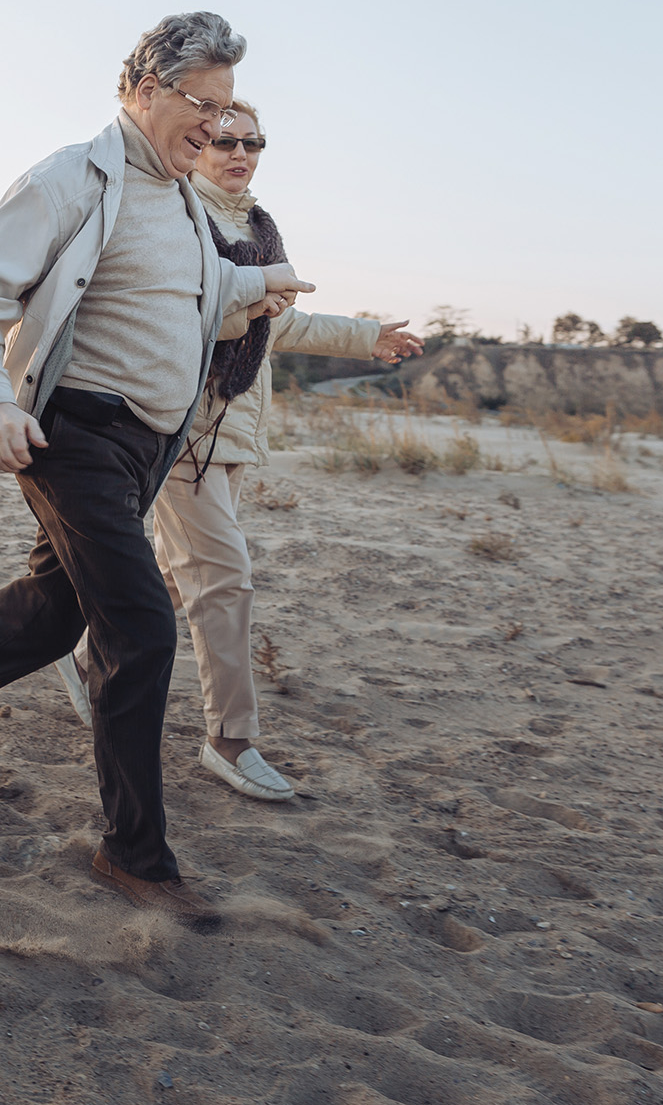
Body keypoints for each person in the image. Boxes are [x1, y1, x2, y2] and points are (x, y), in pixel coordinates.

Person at [0, 13, 313, 926]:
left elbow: (184, 290)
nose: (218, 129)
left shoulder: (181, 199)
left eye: (228, 111)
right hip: (73, 432)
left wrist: (253, 287)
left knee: (44, 615)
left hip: (145, 445)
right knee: (141, 626)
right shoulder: (73, 176)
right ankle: (133, 852)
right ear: (144, 91)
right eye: (203, 105)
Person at [54, 101, 422, 801]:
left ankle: (77, 656)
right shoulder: (177, 213)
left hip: (235, 432)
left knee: (175, 573)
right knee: (225, 577)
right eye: (225, 140)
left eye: (253, 141)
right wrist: (253, 302)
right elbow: (180, 315)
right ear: (197, 140)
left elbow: (281, 323)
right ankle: (231, 738)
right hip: (183, 427)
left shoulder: (257, 225)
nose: (239, 152)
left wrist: (365, 334)